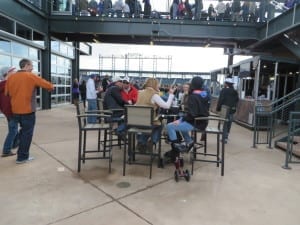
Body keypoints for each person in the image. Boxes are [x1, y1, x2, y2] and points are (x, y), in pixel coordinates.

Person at [5, 58, 54, 164]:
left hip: (14, 111)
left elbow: (7, 93)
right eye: (31, 66)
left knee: (22, 132)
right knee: (27, 134)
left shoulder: (11, 78)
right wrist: (51, 87)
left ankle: (19, 152)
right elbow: (47, 85)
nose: (32, 68)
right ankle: (22, 157)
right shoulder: (31, 76)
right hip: (27, 111)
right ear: (26, 65)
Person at [165, 76, 209, 161]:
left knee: (170, 126)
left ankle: (175, 150)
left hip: (196, 123)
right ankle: (189, 142)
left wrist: (180, 120)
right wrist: (182, 120)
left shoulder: (192, 96)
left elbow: (192, 115)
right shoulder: (205, 95)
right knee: (181, 124)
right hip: (203, 122)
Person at [135, 78, 176, 152]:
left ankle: (141, 142)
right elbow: (166, 106)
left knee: (153, 126)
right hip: (148, 122)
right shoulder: (154, 95)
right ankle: (152, 142)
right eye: (158, 84)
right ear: (154, 84)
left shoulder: (139, 92)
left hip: (137, 121)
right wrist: (171, 95)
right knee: (160, 124)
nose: (159, 85)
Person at [0, 66, 19, 157]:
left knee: (13, 129)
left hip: (7, 111)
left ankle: (15, 144)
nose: (15, 72)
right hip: (11, 111)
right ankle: (6, 150)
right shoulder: (7, 84)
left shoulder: (3, 84)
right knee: (13, 130)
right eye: (12, 71)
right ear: (7, 73)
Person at [216, 77, 239, 143]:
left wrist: (218, 108)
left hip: (224, 109)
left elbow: (221, 100)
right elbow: (237, 100)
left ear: (226, 84)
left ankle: (224, 138)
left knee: (225, 123)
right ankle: (226, 136)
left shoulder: (223, 90)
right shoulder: (235, 91)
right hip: (232, 110)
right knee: (229, 123)